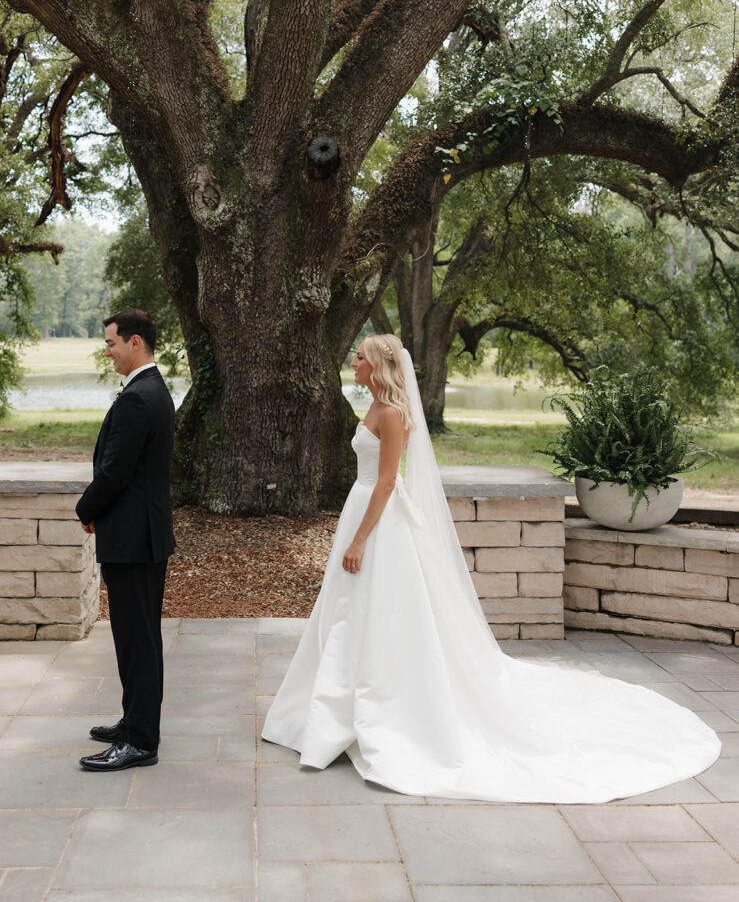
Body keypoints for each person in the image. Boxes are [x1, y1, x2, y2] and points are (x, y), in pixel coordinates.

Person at [262, 333, 721, 802]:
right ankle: (330, 706)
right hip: (359, 512)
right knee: (348, 608)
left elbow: (385, 483)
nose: (352, 361)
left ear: (377, 365)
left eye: (358, 356)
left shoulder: (395, 414)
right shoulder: (377, 407)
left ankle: (377, 708)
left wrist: (360, 537)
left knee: (378, 612)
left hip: (378, 523)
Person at [76, 309, 176, 772]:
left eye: (112, 343)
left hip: (135, 538)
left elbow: (116, 470)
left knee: (137, 640)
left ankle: (139, 741)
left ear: (135, 342)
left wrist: (86, 508)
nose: (108, 351)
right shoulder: (151, 389)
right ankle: (133, 721)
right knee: (136, 638)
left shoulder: (140, 397)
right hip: (140, 535)